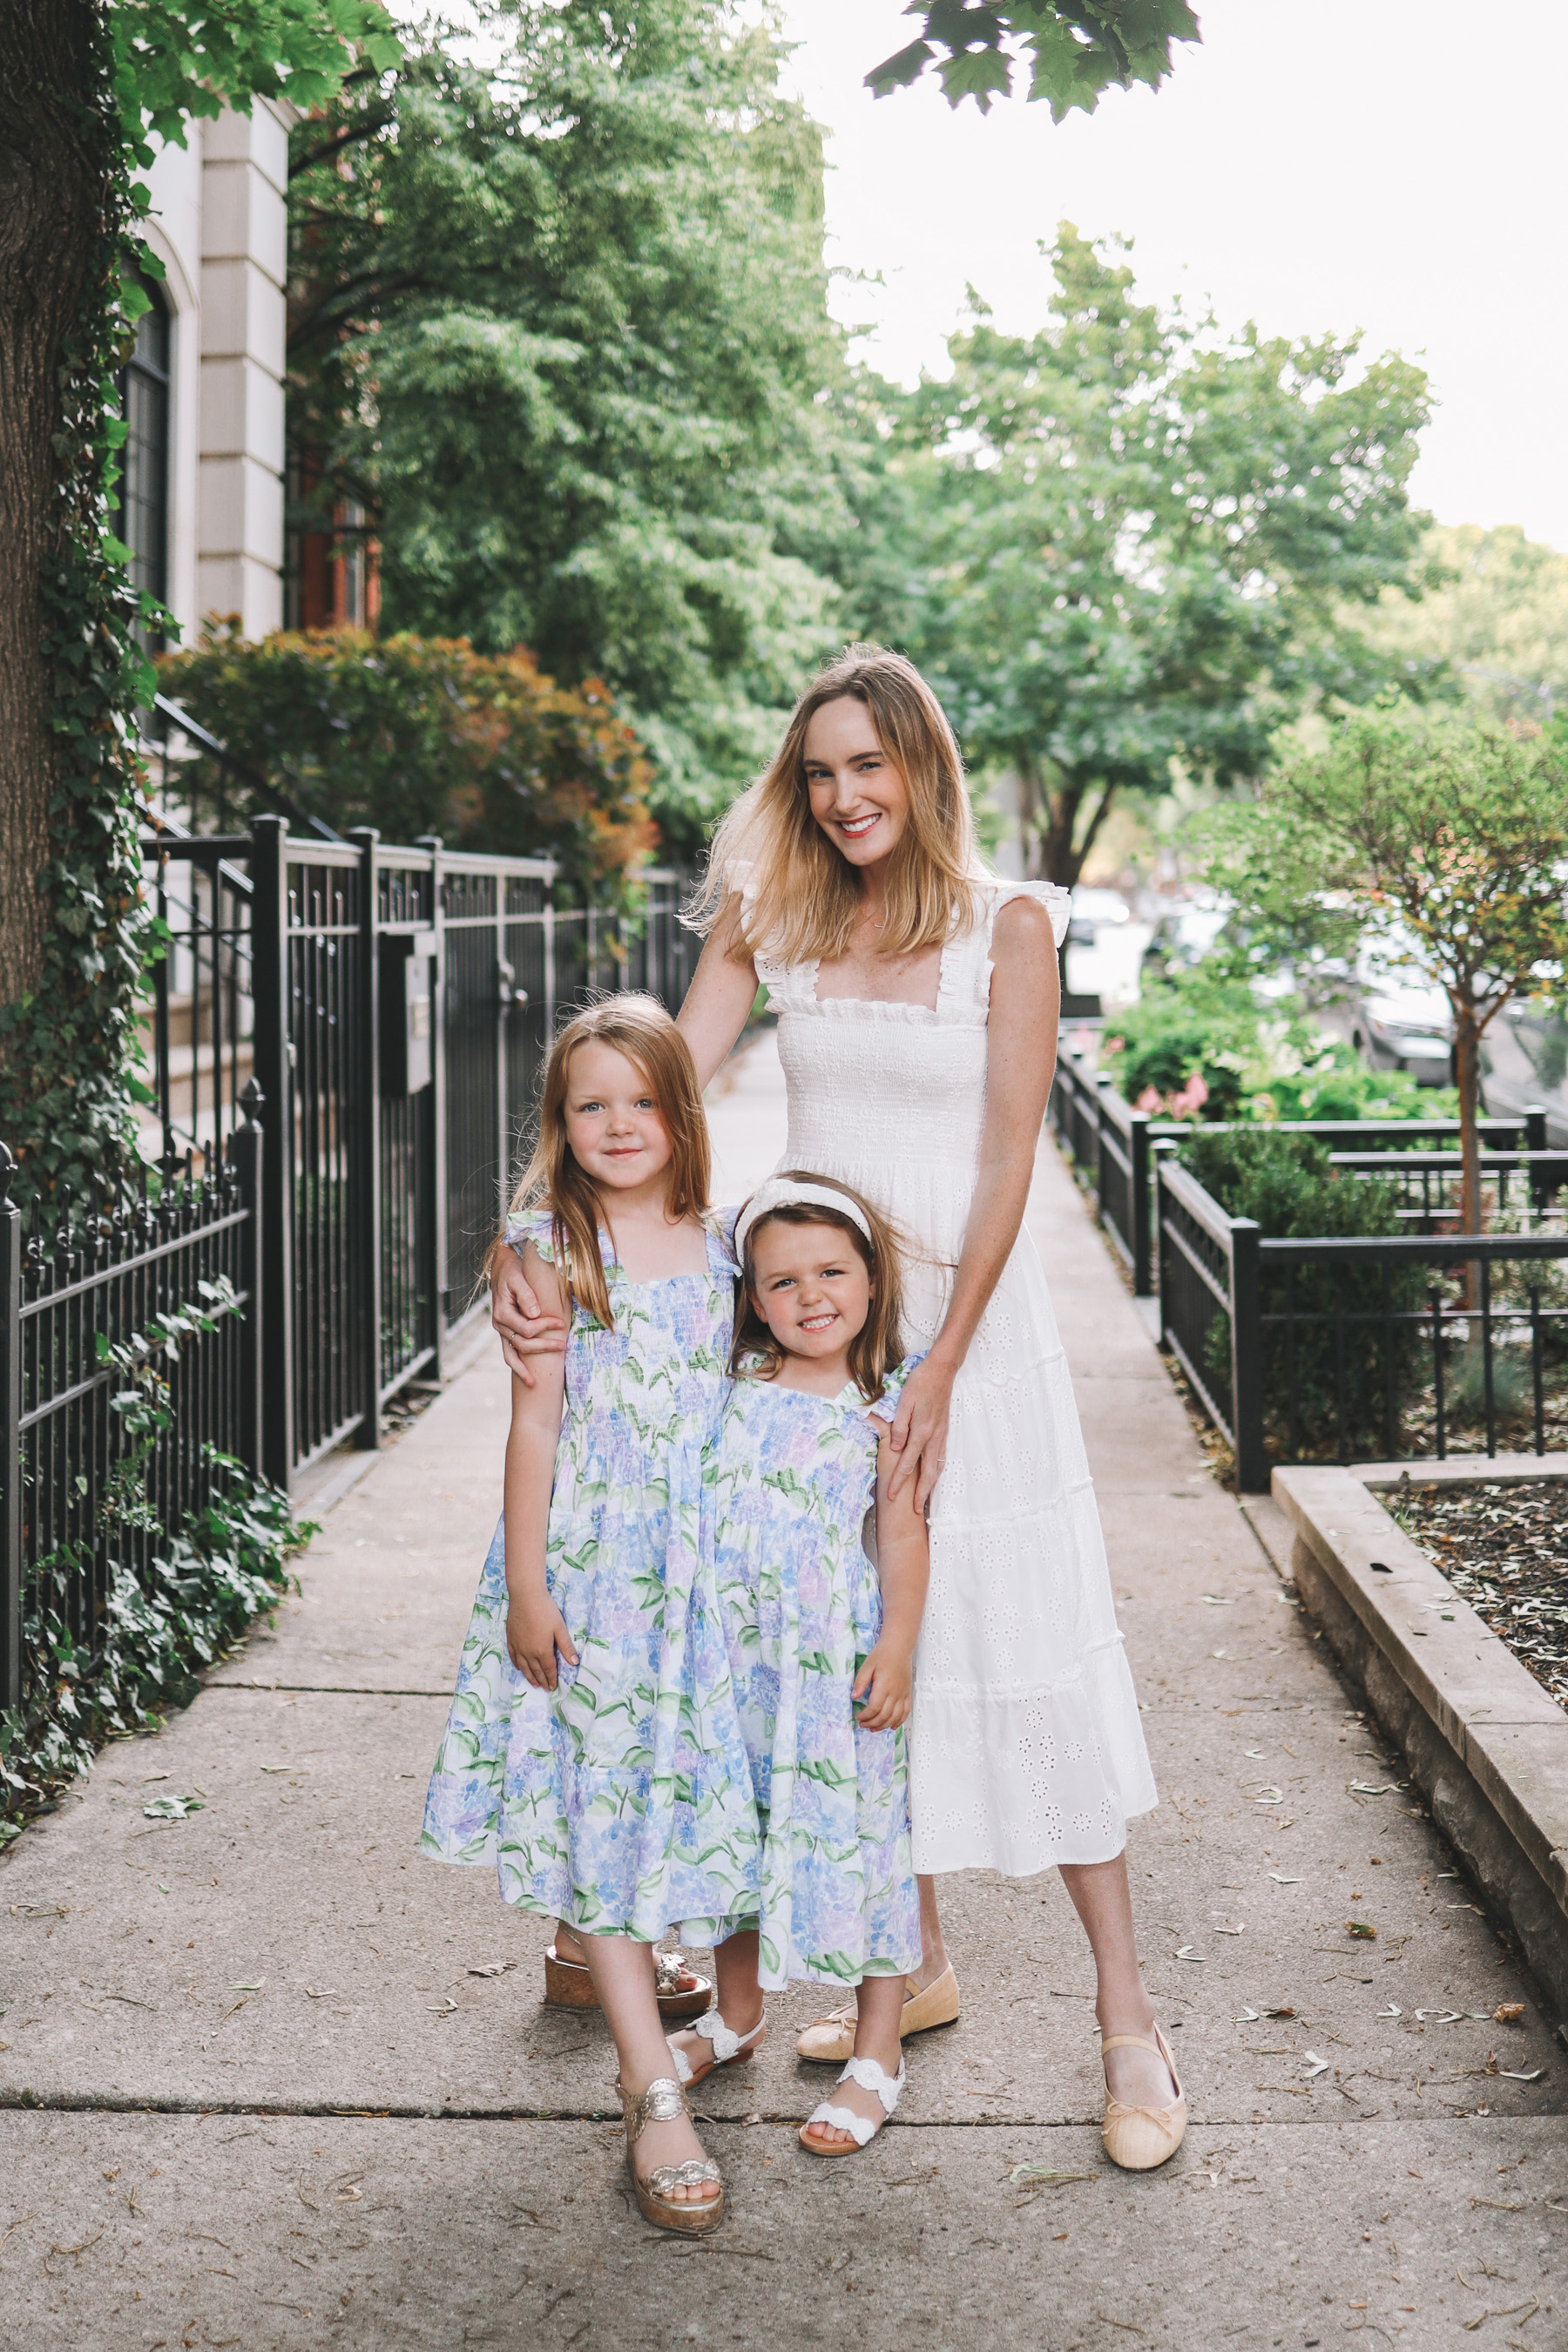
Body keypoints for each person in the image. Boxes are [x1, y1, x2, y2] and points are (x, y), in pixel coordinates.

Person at [490, 646, 1186, 2172]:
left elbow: (1011, 1163)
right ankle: (912, 1968)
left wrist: (937, 1370)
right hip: (809, 1348)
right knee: (850, 1669)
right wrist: (539, 1238)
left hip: (963, 1344)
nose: (845, 795)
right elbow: (655, 1094)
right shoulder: (781, 913)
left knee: (1022, 1650)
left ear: (923, 768)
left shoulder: (1009, 927)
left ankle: (1129, 2021)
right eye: (820, 771)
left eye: (869, 765)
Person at [421, 995, 756, 2234]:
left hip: (708, 1576)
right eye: (590, 1104)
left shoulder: (724, 1240)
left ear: (683, 1108)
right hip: (596, 1568)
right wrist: (528, 1585)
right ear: (560, 1125)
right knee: (604, 1814)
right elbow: (536, 1420)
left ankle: (638, 1978)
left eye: (642, 1100)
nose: (620, 1124)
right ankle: (648, 2085)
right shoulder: (546, 1243)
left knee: (693, 1791)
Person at [667, 1172, 930, 2157]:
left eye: (832, 1271)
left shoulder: (887, 1403)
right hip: (729, 1662)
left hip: (831, 1667)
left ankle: (877, 2051)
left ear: (870, 1279)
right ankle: (735, 2020)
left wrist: (896, 1647)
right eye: (782, 1282)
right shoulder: (733, 1383)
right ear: (752, 1299)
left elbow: (903, 1538)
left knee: (861, 1843)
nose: (810, 1296)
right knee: (734, 1832)